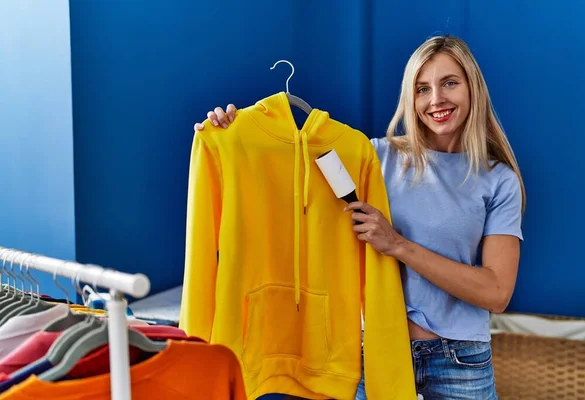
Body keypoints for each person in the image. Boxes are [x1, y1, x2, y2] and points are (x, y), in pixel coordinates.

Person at [193, 35, 525, 400]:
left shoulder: (498, 180)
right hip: (374, 354)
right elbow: (291, 155)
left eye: (449, 83)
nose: (436, 100)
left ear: (472, 88)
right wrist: (231, 133)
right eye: (421, 88)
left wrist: (397, 245)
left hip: (459, 360)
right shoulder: (373, 158)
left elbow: (496, 293)